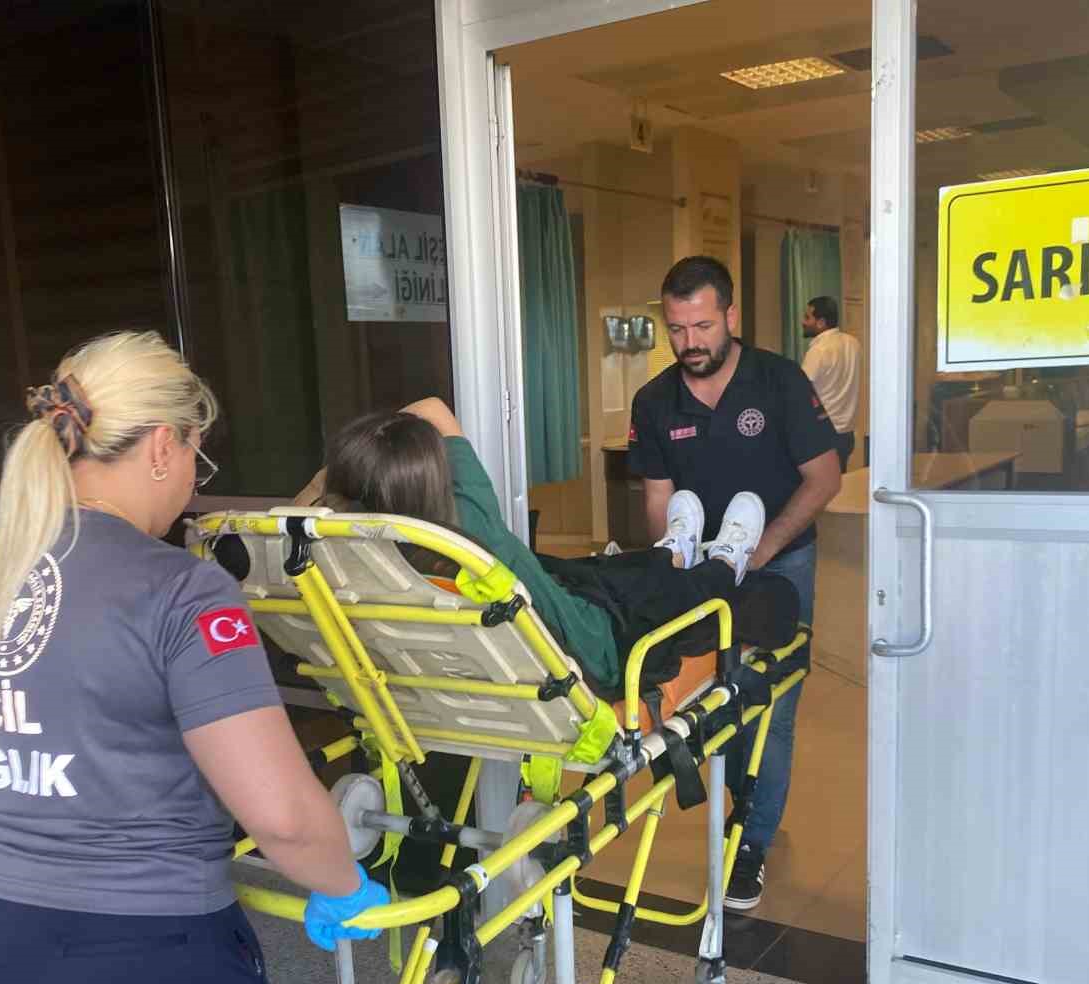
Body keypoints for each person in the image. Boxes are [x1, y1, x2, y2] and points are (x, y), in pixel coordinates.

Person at [0, 330, 388, 984]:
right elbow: (283, 816)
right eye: (196, 458)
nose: (191, 483)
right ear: (164, 445)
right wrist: (343, 883)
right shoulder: (181, 589)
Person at [320, 399, 800, 698]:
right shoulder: (469, 522)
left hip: (534, 619)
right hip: (593, 646)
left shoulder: (353, 564)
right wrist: (359, 468)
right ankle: (723, 562)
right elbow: (432, 407)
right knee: (664, 593)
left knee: (617, 570)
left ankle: (673, 550)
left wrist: (347, 491)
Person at [629, 256, 841, 911]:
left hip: (778, 562)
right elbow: (659, 500)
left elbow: (824, 476)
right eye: (676, 329)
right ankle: (746, 808)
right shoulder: (655, 401)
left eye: (702, 325)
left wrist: (761, 551)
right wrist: (683, 563)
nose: (690, 342)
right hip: (699, 574)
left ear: (731, 316)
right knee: (719, 707)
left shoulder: (778, 382)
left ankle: (748, 845)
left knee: (771, 715)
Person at [801, 295, 863, 472]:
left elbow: (801, 389)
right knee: (838, 486)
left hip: (824, 434)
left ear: (821, 322)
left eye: (807, 317)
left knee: (822, 490)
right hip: (846, 434)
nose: (803, 321)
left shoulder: (819, 350)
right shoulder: (853, 344)